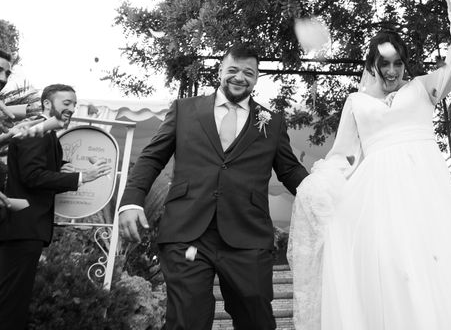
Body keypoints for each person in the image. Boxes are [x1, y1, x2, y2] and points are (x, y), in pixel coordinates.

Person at [288, 6, 451, 328]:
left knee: (439, 261)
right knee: (393, 269)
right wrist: (319, 185)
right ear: (372, 65)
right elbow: (343, 155)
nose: (392, 71)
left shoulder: (424, 88)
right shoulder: (356, 102)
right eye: (384, 64)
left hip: (426, 192)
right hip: (377, 196)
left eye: (398, 63)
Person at [118, 44, 308, 330]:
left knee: (256, 318)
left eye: (249, 72)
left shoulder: (272, 121)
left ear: (256, 78)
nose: (239, 77)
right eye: (232, 70)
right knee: (188, 318)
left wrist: (322, 196)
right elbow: (151, 157)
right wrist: (131, 201)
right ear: (220, 70)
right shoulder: (184, 110)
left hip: (247, 234)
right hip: (187, 230)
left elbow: (290, 170)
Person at [0, 84, 111, 330]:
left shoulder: (45, 132)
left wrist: (61, 165)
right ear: (47, 104)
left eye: (74, 103)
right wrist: (82, 177)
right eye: (66, 103)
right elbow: (32, 176)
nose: (72, 108)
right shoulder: (37, 129)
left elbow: (33, 167)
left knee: (13, 302)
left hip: (24, 230)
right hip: (22, 229)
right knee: (10, 306)